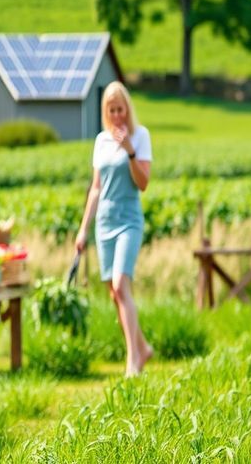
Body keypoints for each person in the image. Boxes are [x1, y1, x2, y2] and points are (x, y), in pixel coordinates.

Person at [74, 81, 153, 376]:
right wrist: (83, 230)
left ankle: (133, 361)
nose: (117, 115)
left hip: (128, 220)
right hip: (104, 223)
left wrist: (130, 151)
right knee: (114, 294)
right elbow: (96, 189)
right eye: (111, 110)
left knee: (122, 285)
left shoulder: (140, 136)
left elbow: (143, 183)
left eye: (121, 109)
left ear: (127, 109)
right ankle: (143, 348)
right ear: (105, 112)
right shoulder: (100, 141)